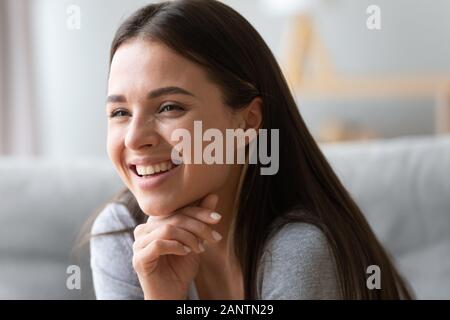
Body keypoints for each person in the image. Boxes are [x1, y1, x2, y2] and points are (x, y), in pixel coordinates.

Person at [89, 0, 412, 300]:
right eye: (120, 113)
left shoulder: (298, 249)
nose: (134, 139)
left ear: (247, 121)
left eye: (170, 107)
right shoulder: (121, 234)